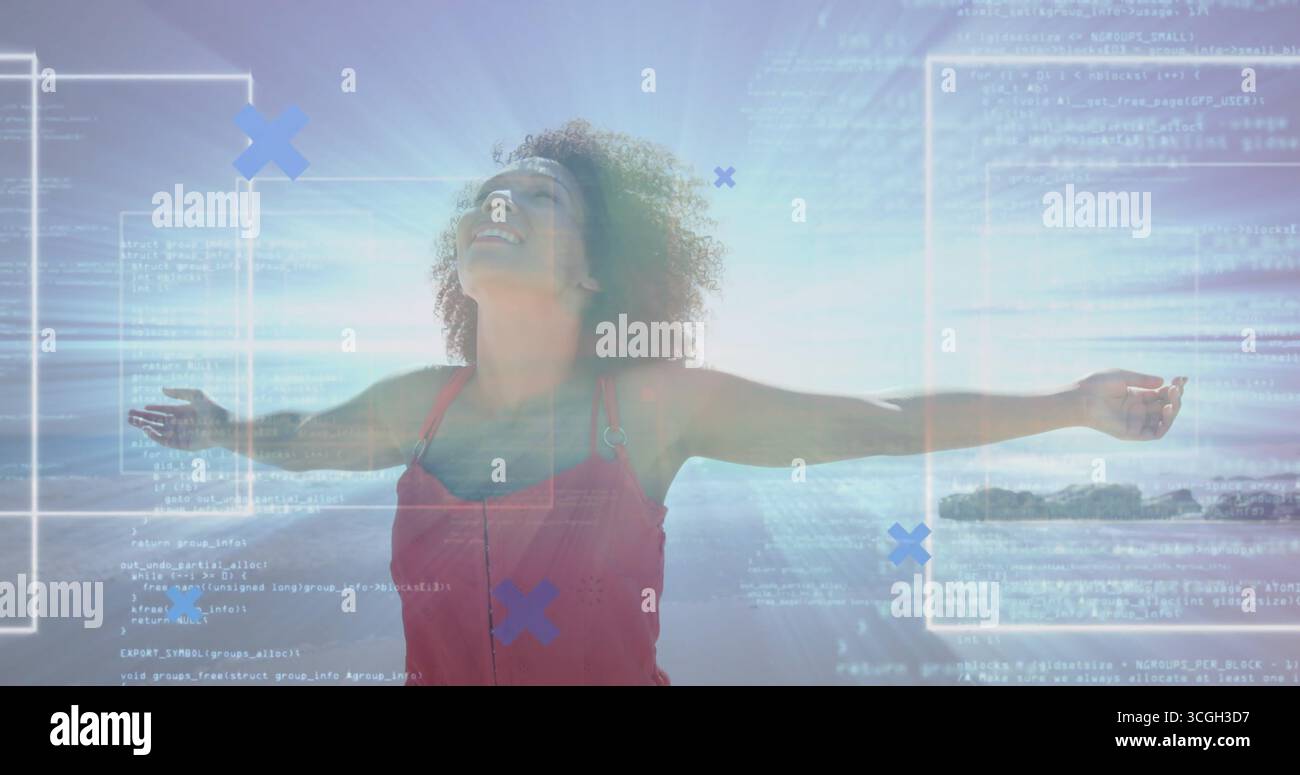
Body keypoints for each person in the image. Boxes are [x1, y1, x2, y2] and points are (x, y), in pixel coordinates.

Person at [128, 119, 1187, 685]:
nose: (499, 202)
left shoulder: (647, 409)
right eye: (489, 195)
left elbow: (871, 419)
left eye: (538, 195)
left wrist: (1069, 402)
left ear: (596, 271)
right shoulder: (423, 402)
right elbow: (307, 444)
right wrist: (225, 433)